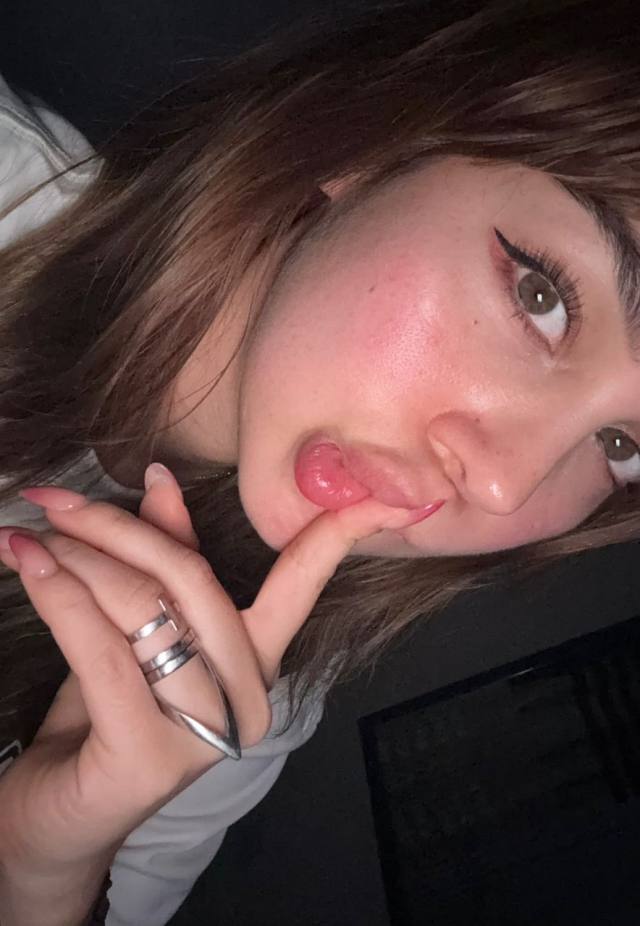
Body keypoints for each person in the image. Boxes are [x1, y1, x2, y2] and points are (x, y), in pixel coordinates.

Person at [1, 0, 640, 922]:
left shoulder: (232, 709)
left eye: (622, 448)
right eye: (543, 296)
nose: (505, 486)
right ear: (376, 145)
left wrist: (39, 870)